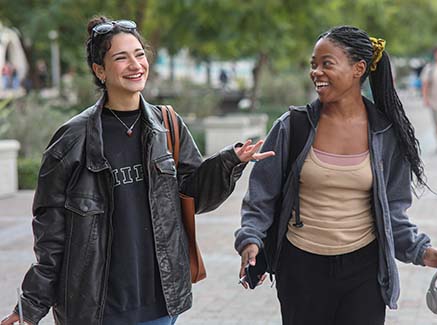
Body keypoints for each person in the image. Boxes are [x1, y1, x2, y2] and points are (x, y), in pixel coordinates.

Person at [0, 16, 273, 325]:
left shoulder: (167, 125)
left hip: (160, 303)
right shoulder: (73, 139)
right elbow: (51, 233)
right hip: (95, 307)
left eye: (139, 54)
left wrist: (229, 161)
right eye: (121, 57)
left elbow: (195, 195)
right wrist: (30, 306)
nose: (135, 64)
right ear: (99, 70)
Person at [234, 25, 437, 325]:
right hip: (300, 269)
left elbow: (394, 213)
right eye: (313, 65)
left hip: (365, 272)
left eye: (327, 64)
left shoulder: (386, 134)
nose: (316, 72)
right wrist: (251, 239)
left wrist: (423, 251)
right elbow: (261, 195)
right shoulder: (291, 126)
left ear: (358, 69)